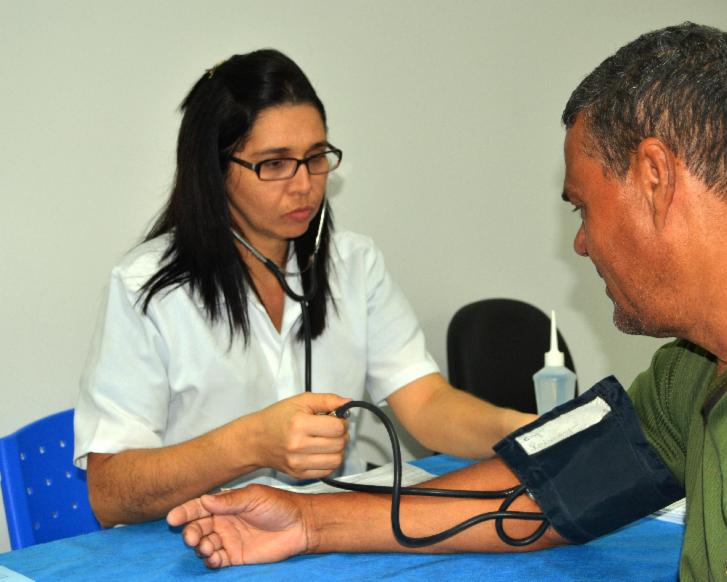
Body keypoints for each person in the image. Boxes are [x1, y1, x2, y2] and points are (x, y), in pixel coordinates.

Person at [166, 23, 727, 580]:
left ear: (654, 177)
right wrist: (309, 520)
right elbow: (555, 482)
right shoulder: (703, 364)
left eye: (582, 207)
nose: (580, 245)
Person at [74, 49, 534, 528]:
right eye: (274, 164)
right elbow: (110, 494)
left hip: (327, 534)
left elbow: (426, 404)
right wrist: (251, 443)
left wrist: (521, 429)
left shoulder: (354, 264)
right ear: (214, 171)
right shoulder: (146, 288)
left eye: (315, 157)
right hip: (197, 545)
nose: (304, 186)